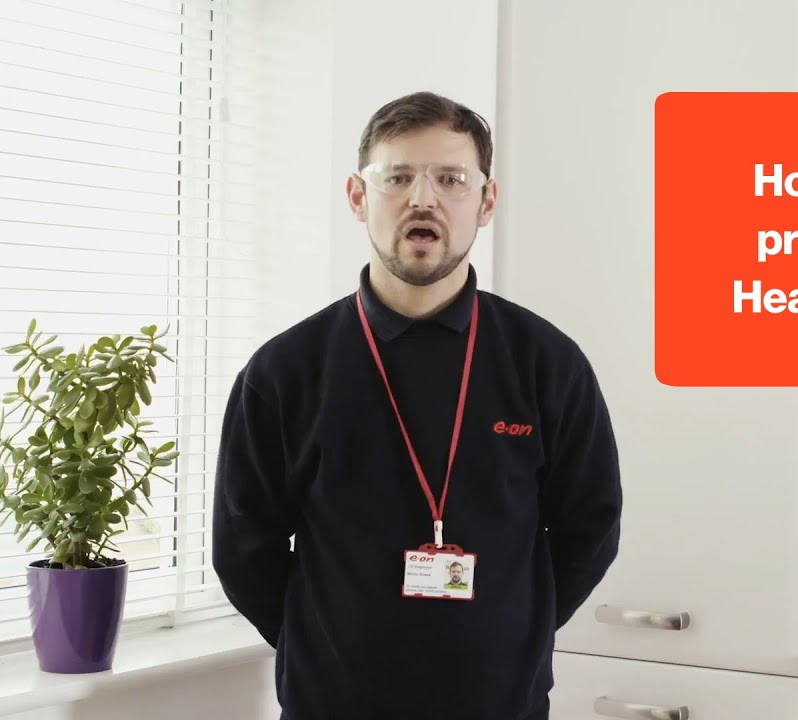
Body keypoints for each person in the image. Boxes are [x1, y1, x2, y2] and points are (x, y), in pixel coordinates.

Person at [212, 91, 623, 720]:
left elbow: (590, 530)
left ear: (486, 202)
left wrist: (515, 628)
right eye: (397, 177)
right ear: (358, 197)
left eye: (450, 179)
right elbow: (244, 550)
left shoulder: (547, 362)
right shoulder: (285, 371)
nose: (422, 199)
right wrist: (329, 644)